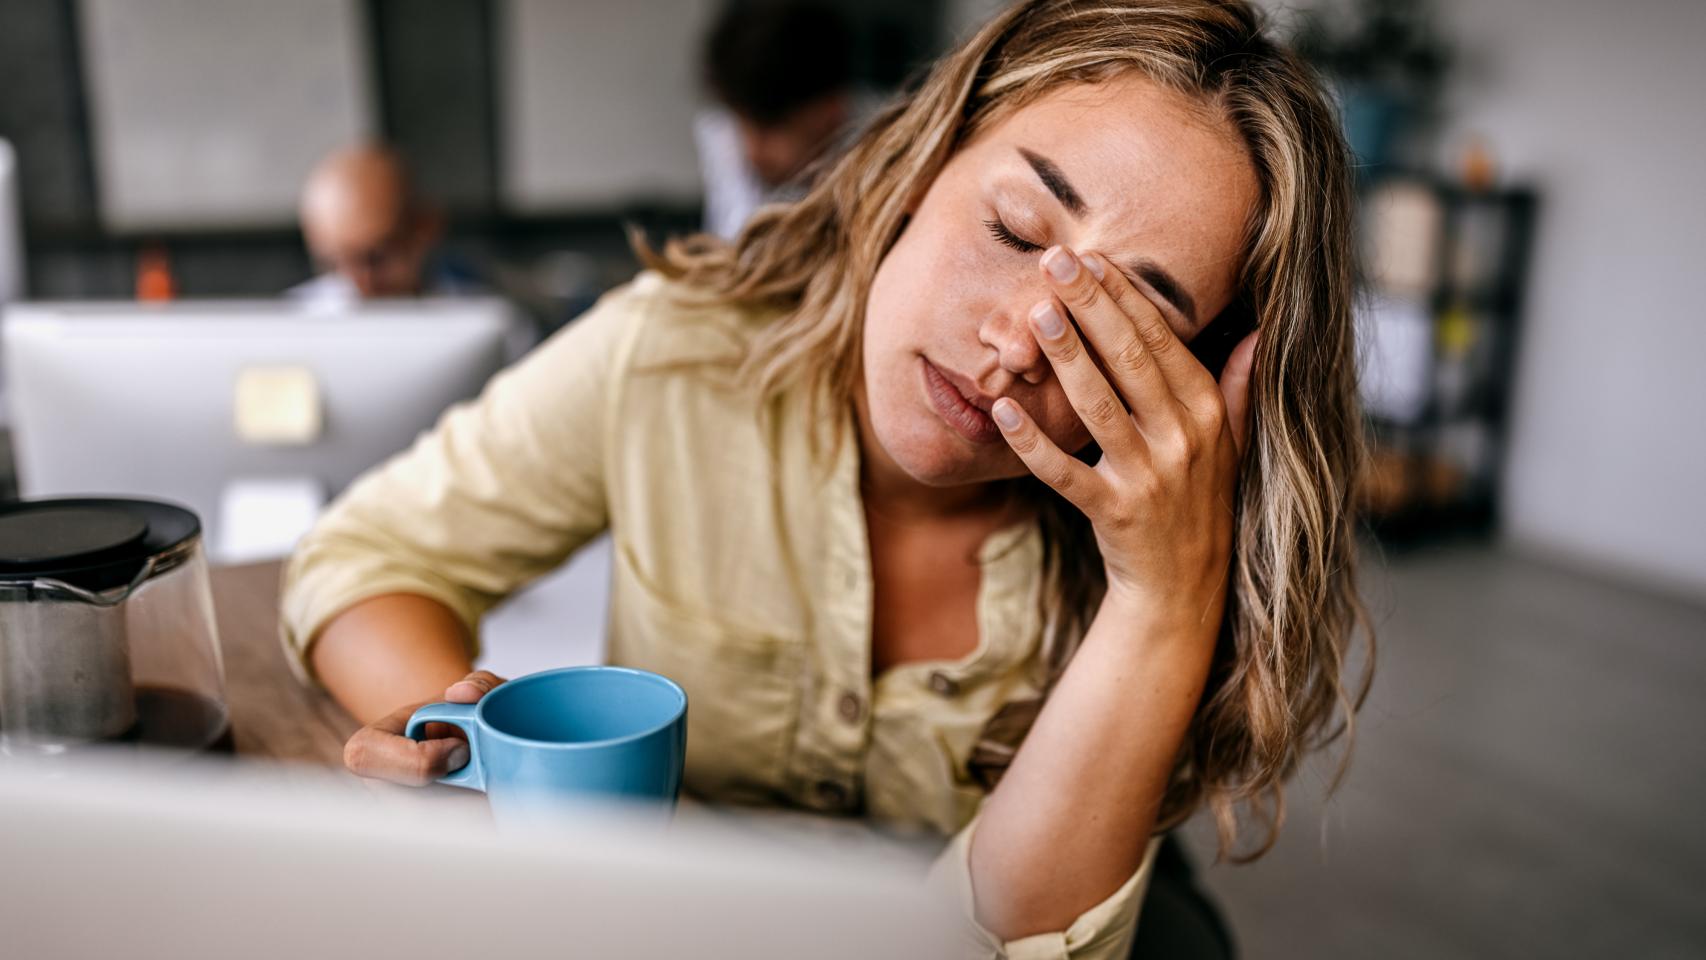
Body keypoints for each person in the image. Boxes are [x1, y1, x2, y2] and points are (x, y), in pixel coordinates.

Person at [284, 2, 1371, 956]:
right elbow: (366, 554)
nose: (1015, 344)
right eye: (1011, 227)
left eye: (1124, 324)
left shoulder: (1166, 533)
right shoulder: (672, 357)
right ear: (920, 162)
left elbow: (1006, 941)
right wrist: (459, 752)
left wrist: (1162, 599)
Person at [694, 1, 860, 239]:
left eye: (771, 128)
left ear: (831, 109)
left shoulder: (885, 146)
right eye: (742, 123)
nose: (753, 149)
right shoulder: (726, 134)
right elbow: (734, 246)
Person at [289, 144, 477, 307]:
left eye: (376, 258)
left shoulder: (482, 310)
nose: (359, 284)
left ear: (426, 228)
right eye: (334, 263)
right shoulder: (292, 322)